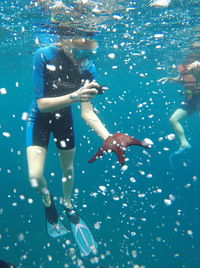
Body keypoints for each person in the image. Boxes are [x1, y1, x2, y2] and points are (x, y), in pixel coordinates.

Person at [26, 37, 150, 254]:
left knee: (67, 168)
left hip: (64, 120)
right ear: (65, 43)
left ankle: (67, 205)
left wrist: (109, 137)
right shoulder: (44, 55)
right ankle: (49, 206)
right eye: (80, 53)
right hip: (39, 119)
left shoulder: (88, 70)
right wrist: (75, 95)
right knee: (35, 177)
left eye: (91, 56)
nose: (84, 60)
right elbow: (42, 105)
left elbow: (86, 112)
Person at [158, 58, 200, 166]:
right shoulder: (185, 70)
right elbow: (180, 79)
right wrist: (170, 79)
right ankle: (184, 143)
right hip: (190, 102)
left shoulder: (196, 68)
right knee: (173, 120)